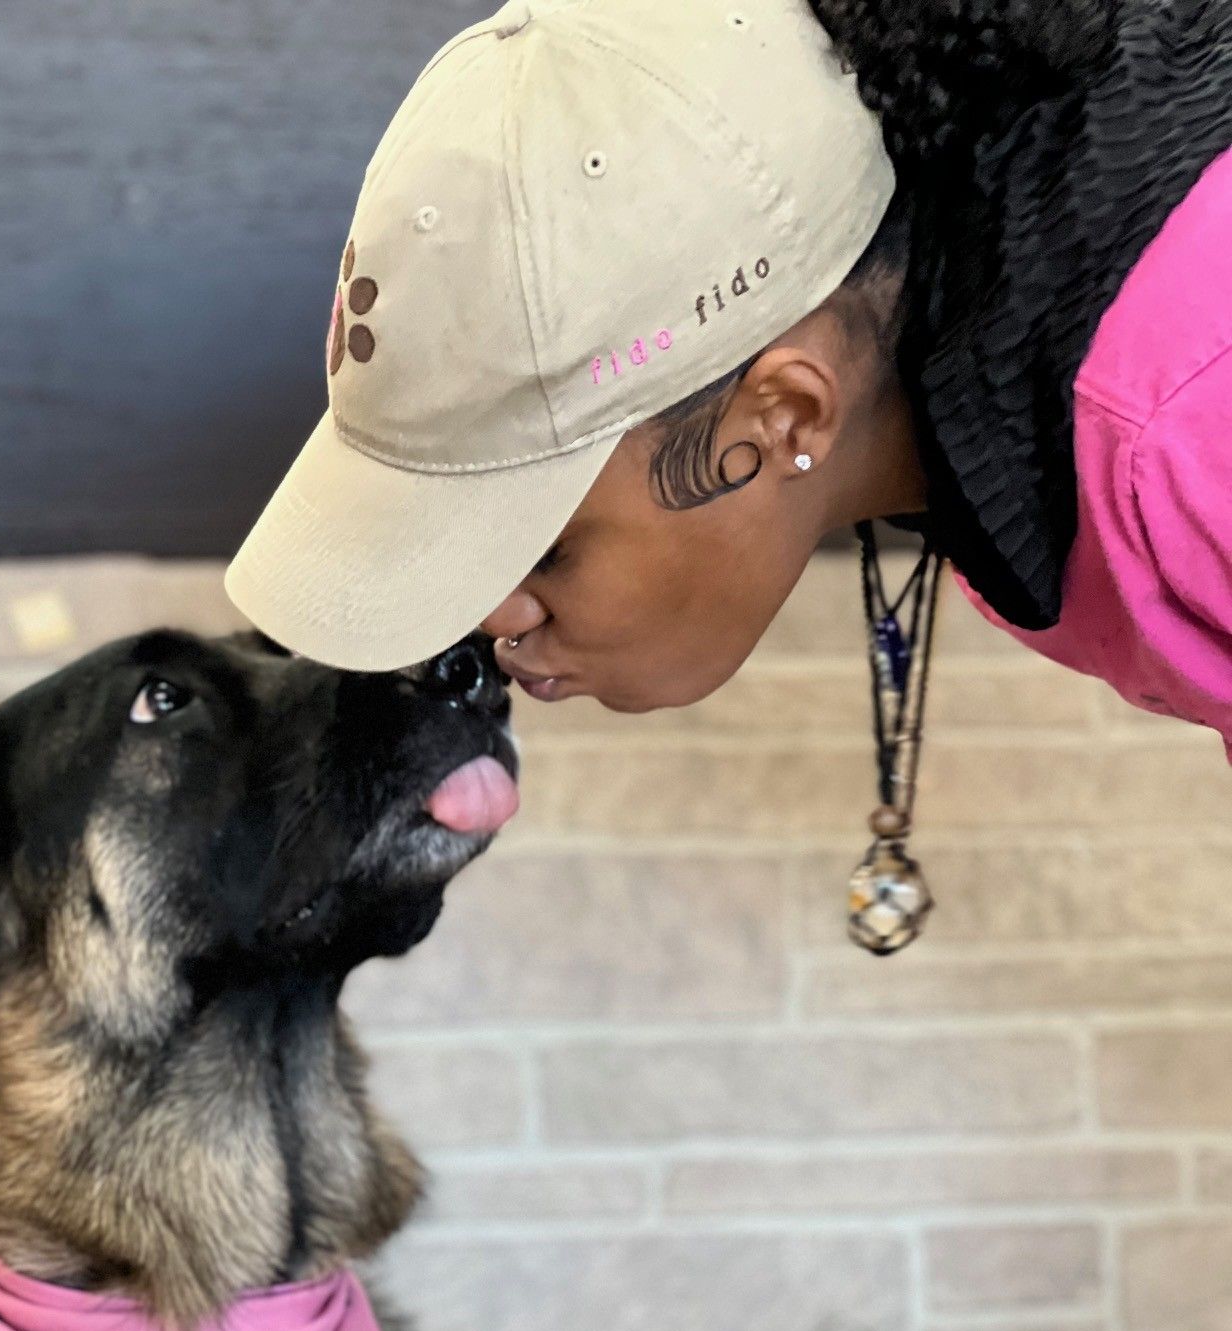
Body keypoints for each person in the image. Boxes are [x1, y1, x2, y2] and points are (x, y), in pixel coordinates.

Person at [225, 0, 1232, 942]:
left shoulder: (1183, 427)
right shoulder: (1013, 348)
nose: (491, 620)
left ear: (786, 413)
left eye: (542, 545)